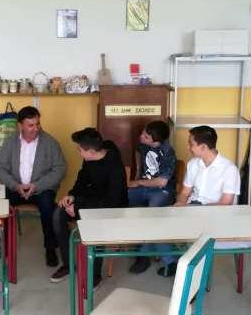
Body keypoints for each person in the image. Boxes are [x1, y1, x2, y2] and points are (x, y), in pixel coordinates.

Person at [159, 125, 240, 277]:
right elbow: (185, 192)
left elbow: (226, 203)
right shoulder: (193, 164)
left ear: (203, 147)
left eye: (191, 144)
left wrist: (193, 209)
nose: (188, 148)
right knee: (160, 225)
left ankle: (195, 279)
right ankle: (173, 262)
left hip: (217, 215)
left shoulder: (229, 169)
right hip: (193, 209)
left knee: (193, 234)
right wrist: (181, 203)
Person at [50, 128, 127, 284]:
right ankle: (68, 264)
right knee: (58, 214)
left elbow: (111, 201)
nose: (78, 152)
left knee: (96, 223)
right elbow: (82, 180)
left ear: (91, 151)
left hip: (110, 207)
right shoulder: (89, 158)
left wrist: (78, 206)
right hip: (89, 201)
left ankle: (95, 274)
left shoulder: (114, 166)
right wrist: (72, 196)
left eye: (80, 150)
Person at [0, 106, 67, 267]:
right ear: (20, 125)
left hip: (41, 189)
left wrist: (37, 185)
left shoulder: (50, 142)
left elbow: (60, 169)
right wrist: (16, 186)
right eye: (31, 125)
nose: (36, 128)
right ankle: (4, 247)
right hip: (16, 188)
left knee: (48, 206)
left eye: (38, 124)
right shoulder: (10, 142)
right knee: (1, 206)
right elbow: (0, 169)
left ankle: (50, 248)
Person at [127, 120, 177, 275]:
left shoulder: (168, 152)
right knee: (120, 198)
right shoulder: (143, 145)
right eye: (143, 133)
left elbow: (162, 182)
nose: (141, 136)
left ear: (156, 141)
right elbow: (138, 152)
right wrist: (137, 173)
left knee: (151, 215)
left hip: (162, 191)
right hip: (143, 188)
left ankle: (147, 257)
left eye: (146, 136)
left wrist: (138, 182)